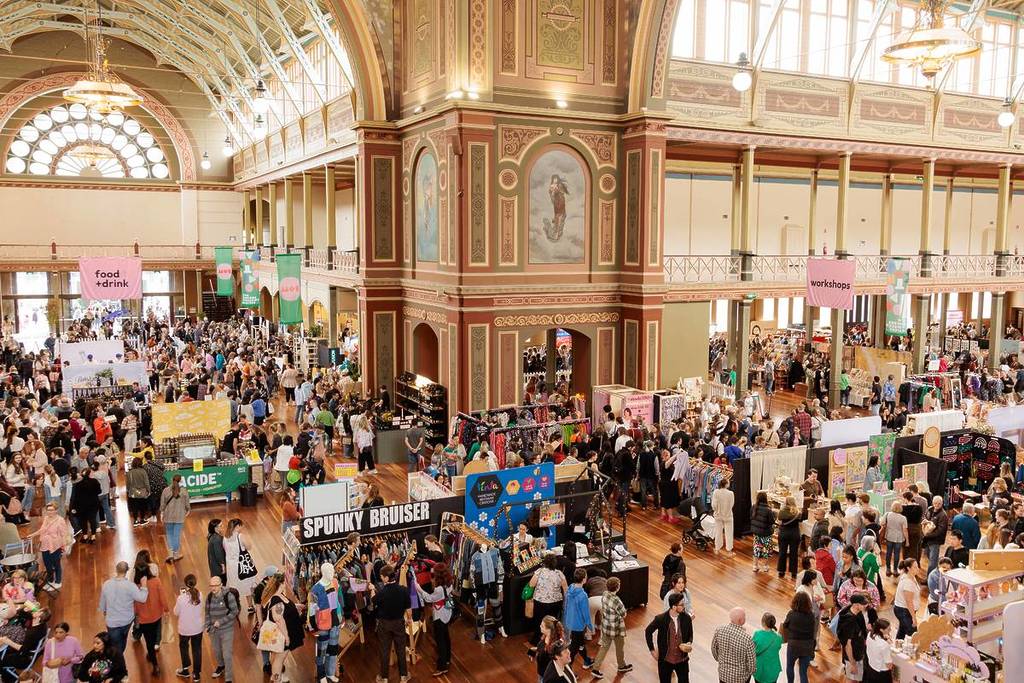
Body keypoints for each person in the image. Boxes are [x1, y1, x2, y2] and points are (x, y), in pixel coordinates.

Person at [371, 564, 411, 683]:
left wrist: (372, 589)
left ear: (386, 578)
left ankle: (384, 678)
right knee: (401, 650)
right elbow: (408, 608)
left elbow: (373, 600)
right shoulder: (403, 590)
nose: (381, 578)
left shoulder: (382, 592)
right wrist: (409, 620)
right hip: (399, 623)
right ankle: (403, 676)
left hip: (384, 624)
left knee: (384, 650)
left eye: (382, 577)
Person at [413, 563, 455, 677]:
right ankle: (447, 659)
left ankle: (442, 667)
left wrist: (419, 589)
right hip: (447, 613)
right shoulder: (449, 583)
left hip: (440, 615)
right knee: (446, 637)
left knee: (440, 640)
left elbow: (429, 598)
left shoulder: (439, 589)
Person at [98, 561, 148, 654]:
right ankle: (119, 657)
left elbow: (103, 602)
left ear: (116, 570)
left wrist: (105, 610)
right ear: (127, 570)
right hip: (126, 620)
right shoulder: (130, 586)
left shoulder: (106, 584)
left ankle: (117, 658)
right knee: (122, 640)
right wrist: (144, 586)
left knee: (114, 644)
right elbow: (142, 598)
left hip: (112, 622)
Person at [645, 591, 694, 683]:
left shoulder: (687, 618)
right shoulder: (660, 619)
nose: (684, 606)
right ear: (674, 607)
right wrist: (652, 650)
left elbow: (690, 635)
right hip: (665, 661)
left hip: (682, 660)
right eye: (681, 604)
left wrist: (688, 643)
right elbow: (648, 631)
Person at [589, 576, 630, 679]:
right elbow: (624, 614)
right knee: (619, 648)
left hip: (606, 627)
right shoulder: (616, 600)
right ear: (617, 588)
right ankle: (621, 666)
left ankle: (595, 668)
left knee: (604, 648)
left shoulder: (604, 595)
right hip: (616, 628)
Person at [204, 575, 239, 683]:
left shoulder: (228, 596)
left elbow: (235, 612)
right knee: (217, 652)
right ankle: (220, 666)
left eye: (215, 585)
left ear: (221, 585)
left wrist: (221, 621)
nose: (213, 588)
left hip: (227, 629)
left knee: (227, 654)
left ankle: (228, 678)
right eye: (211, 585)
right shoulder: (209, 597)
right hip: (213, 631)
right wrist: (208, 626)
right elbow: (207, 613)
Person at [528, 554, 567, 645]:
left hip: (540, 601)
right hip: (556, 602)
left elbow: (531, 585)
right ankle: (551, 640)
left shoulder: (539, 572)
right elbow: (566, 589)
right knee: (552, 622)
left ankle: (537, 640)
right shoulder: (559, 573)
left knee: (540, 621)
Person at [711, 607, 756, 683]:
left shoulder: (719, 630)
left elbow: (713, 649)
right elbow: (752, 664)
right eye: (744, 616)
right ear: (741, 620)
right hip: (740, 678)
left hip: (723, 675)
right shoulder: (747, 639)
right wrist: (749, 673)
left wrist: (720, 661)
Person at [27, 502, 66, 589]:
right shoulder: (46, 518)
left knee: (56, 564)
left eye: (51, 510)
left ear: (56, 510)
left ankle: (58, 581)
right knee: (47, 564)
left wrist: (63, 546)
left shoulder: (60, 520)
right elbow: (42, 530)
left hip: (55, 546)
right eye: (48, 510)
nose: (49, 512)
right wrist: (33, 535)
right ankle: (50, 580)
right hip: (45, 545)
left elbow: (63, 534)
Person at [782, 592, 816, 683]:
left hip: (793, 645)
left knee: (790, 666)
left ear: (795, 602)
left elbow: (785, 626)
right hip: (807, 646)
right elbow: (813, 631)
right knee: (803, 672)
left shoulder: (791, 614)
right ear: (808, 602)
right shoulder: (811, 615)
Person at [563, 568, 595, 668]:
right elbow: (585, 613)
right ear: (584, 579)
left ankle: (586, 660)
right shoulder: (583, 595)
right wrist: (590, 626)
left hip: (569, 621)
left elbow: (566, 605)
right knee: (574, 648)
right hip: (578, 624)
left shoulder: (569, 589)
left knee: (580, 643)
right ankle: (567, 669)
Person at [174, 574, 203, 682]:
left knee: (184, 648)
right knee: (197, 650)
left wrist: (181, 596)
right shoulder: (200, 594)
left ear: (186, 584)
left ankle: (185, 670)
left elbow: (176, 612)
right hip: (197, 628)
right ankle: (196, 674)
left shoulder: (181, 598)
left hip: (184, 629)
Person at [224, 519, 257, 614]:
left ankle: (233, 606)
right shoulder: (240, 536)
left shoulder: (225, 537)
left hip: (231, 566)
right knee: (247, 585)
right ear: (237, 526)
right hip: (242, 566)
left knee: (233, 586)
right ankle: (250, 606)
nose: (242, 527)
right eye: (241, 525)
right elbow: (249, 547)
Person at [836, 594, 869, 682]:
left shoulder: (857, 613)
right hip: (853, 655)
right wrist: (852, 663)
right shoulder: (849, 621)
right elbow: (847, 644)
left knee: (856, 678)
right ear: (855, 605)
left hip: (858, 651)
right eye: (863, 604)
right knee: (852, 679)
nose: (866, 605)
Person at [159, 473, 190, 563]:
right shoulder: (184, 491)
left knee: (169, 534)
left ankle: (170, 553)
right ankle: (176, 554)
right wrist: (188, 510)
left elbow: (162, 504)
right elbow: (187, 504)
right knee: (176, 535)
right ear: (180, 481)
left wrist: (161, 513)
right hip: (179, 516)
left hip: (168, 516)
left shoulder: (166, 490)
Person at [892, 559, 920, 639]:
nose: (918, 569)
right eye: (915, 567)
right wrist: (914, 618)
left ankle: (897, 647)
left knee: (902, 631)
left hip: (904, 610)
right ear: (908, 568)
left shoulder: (910, 577)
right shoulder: (908, 582)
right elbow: (909, 602)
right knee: (913, 635)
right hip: (904, 611)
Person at [750, 491, 776, 574]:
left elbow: (751, 517)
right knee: (766, 550)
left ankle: (755, 565)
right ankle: (765, 566)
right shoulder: (768, 510)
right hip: (766, 533)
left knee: (756, 548)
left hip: (756, 532)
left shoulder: (754, 507)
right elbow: (772, 521)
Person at [752, 612, 782, 683]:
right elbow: (778, 648)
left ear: (763, 623)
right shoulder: (778, 637)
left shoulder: (757, 634)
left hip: (760, 669)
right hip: (773, 670)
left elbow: (753, 649)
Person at [777, 497, 801, 580]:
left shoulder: (783, 511)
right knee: (794, 554)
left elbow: (779, 519)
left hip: (784, 533)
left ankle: (781, 571)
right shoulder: (798, 512)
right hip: (795, 534)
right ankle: (793, 572)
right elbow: (800, 519)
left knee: (782, 553)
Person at [881, 501, 907, 577]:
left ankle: (888, 569)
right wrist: (907, 540)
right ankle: (895, 570)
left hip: (889, 536)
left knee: (888, 553)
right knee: (897, 554)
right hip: (899, 538)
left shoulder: (887, 514)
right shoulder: (903, 518)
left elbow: (882, 523)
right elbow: (905, 530)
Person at [863, 618, 894, 683]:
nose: (890, 630)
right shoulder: (884, 645)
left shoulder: (870, 635)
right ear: (881, 630)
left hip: (871, 667)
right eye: (888, 629)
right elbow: (889, 665)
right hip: (882, 673)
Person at [712, 478, 735, 556]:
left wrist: (717, 510)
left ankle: (717, 548)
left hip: (718, 515)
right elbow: (732, 504)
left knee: (718, 532)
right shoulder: (730, 493)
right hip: (728, 515)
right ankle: (729, 551)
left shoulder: (716, 492)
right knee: (729, 533)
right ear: (726, 484)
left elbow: (714, 505)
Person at [125, 457, 150, 527]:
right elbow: (146, 483)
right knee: (143, 506)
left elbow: (128, 484)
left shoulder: (129, 472)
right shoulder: (143, 471)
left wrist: (128, 491)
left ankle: (135, 520)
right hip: (142, 492)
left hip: (133, 493)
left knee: (134, 507)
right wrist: (149, 490)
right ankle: (142, 520)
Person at [207, 519, 227, 584]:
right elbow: (219, 554)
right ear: (215, 528)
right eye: (221, 526)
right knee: (222, 583)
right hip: (218, 567)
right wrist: (223, 566)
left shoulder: (212, 536)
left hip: (213, 564)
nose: (223, 527)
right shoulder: (217, 539)